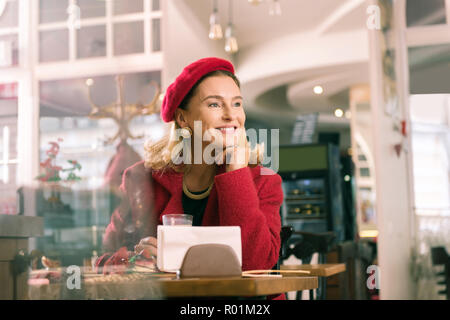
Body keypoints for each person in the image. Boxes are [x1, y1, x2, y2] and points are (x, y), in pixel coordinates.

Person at [95, 57, 284, 298]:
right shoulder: (139, 179)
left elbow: (255, 267)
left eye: (237, 104)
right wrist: (136, 259)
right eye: (215, 105)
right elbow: (103, 259)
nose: (230, 115)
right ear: (183, 119)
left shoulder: (263, 180)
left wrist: (236, 171)